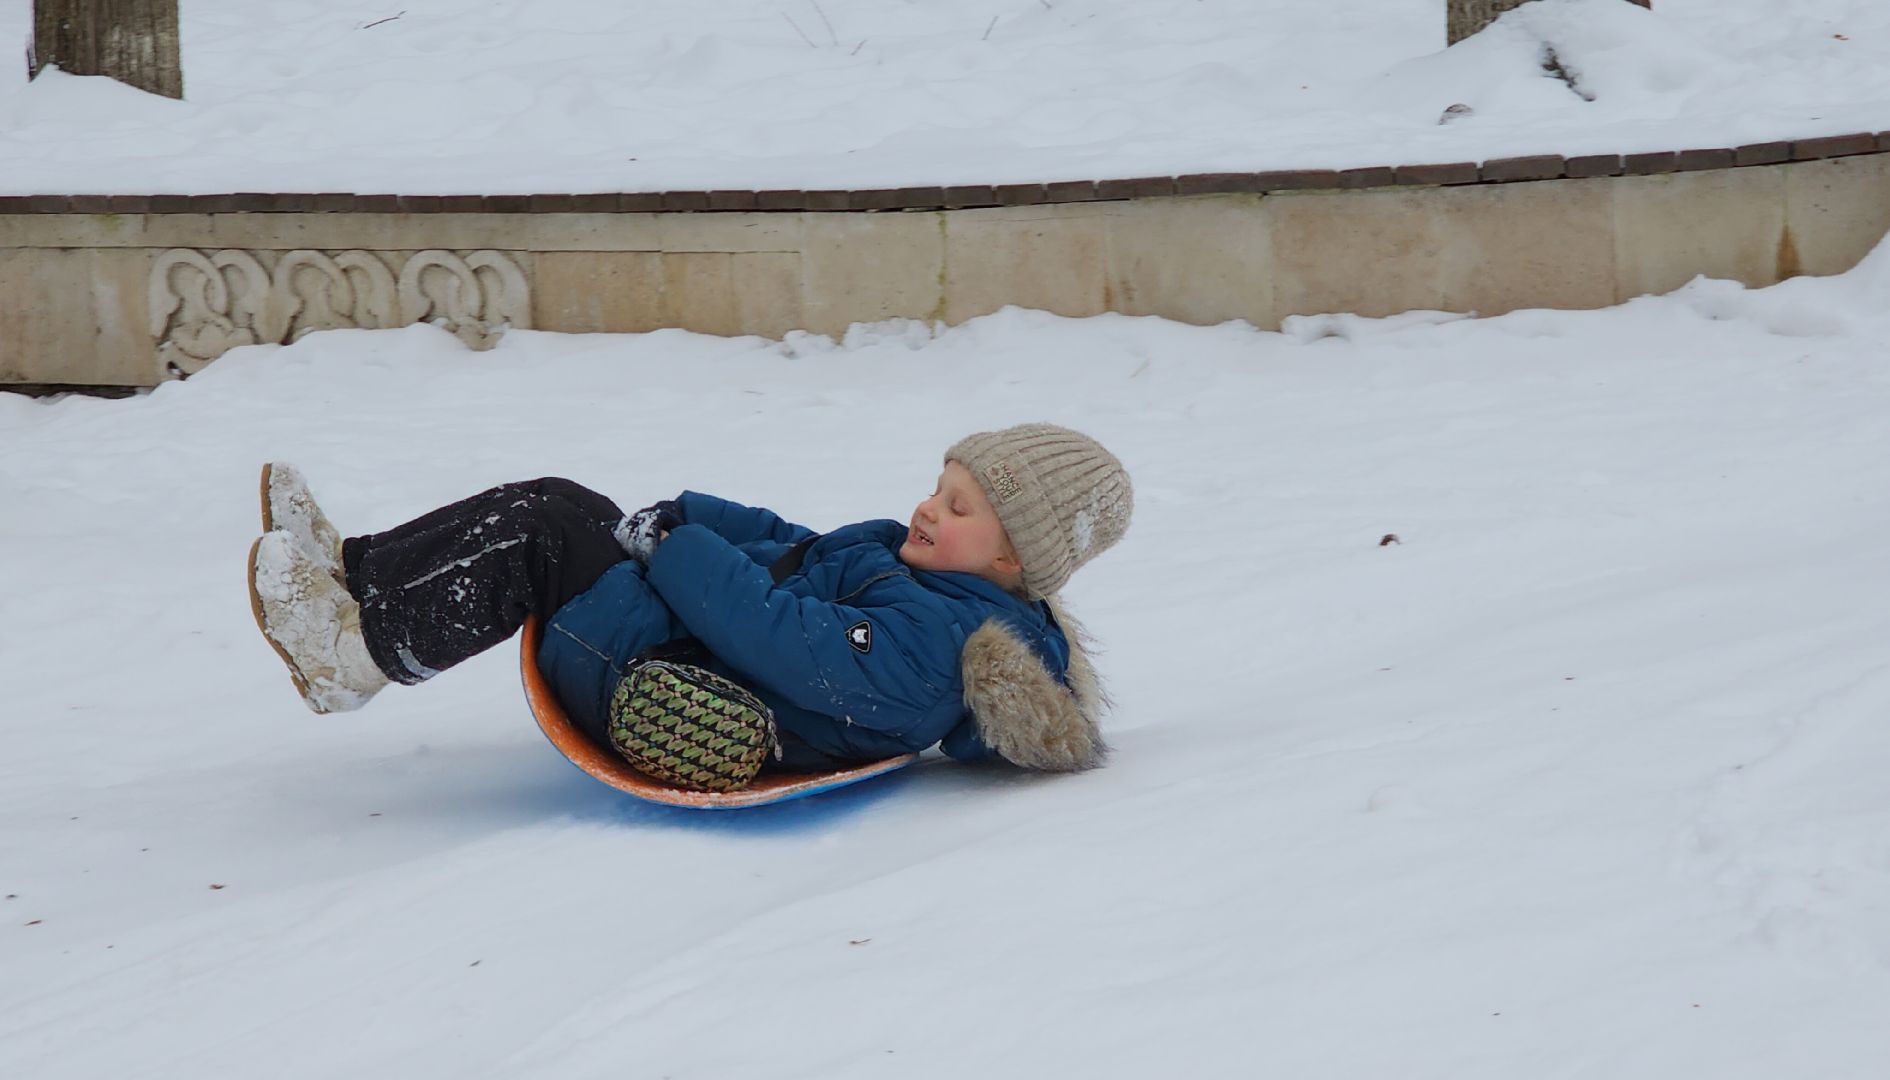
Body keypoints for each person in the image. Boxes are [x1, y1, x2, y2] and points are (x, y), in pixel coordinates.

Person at [246, 423, 1133, 773]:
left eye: (959, 507)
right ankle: (357, 574)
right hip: (686, 631)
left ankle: (356, 657)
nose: (928, 508)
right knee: (561, 499)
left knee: (542, 535)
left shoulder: (941, 647)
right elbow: (793, 546)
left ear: (1013, 556)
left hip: (677, 685)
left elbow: (782, 634)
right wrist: (693, 516)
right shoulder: (910, 562)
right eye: (937, 488)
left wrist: (676, 550)